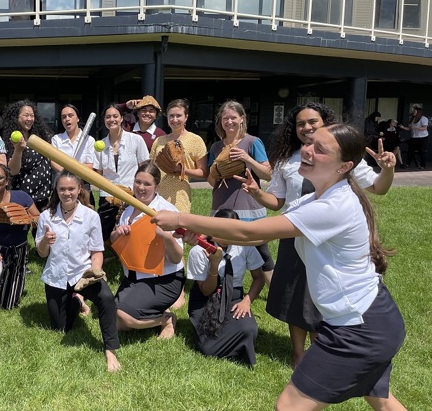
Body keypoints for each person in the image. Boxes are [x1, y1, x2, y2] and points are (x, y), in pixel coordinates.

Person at [153, 124, 406, 409]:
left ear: (344, 166)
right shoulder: (313, 198)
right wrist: (203, 237)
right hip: (371, 319)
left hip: (359, 328)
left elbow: (251, 232)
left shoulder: (333, 206)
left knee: (287, 406)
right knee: (382, 402)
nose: (308, 151)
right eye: (310, 143)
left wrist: (183, 220)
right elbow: (259, 234)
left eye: (321, 150)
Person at [243, 102, 396, 368]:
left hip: (329, 238)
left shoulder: (341, 155)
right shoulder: (286, 160)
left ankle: (322, 347)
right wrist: (257, 193)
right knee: (294, 295)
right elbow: (278, 202)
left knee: (320, 292)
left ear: (324, 122)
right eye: (301, 123)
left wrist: (388, 169)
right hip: (294, 233)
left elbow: (377, 188)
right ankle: (298, 352)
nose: (307, 128)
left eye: (312, 122)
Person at [35, 171, 121, 372]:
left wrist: (96, 270)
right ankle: (77, 302)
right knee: (61, 329)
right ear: (56, 190)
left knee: (107, 298)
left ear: (79, 189)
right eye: (62, 189)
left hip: (83, 274)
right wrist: (45, 242)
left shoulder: (91, 216)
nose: (67, 193)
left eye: (71, 188)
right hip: (56, 276)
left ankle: (110, 349)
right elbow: (41, 253)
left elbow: (97, 250)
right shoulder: (46, 216)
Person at [110, 163, 185, 339]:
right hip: (134, 277)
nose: (141, 188)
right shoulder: (127, 210)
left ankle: (165, 320)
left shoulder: (167, 212)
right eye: (138, 182)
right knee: (114, 321)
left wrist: (167, 237)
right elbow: (116, 242)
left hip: (164, 279)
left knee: (124, 316)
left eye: (147, 184)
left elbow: (177, 258)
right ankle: (150, 311)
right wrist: (116, 234)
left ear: (157, 187)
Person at [207, 100, 274, 285]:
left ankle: (274, 291)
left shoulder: (252, 142)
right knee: (221, 248)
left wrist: (247, 159)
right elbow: (211, 181)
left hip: (248, 206)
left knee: (261, 250)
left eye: (233, 118)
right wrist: (216, 170)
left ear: (242, 119)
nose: (229, 122)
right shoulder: (216, 147)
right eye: (225, 118)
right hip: (221, 205)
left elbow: (267, 174)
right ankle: (222, 285)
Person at [186, 209, 264, 365]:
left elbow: (259, 278)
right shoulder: (199, 251)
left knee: (248, 330)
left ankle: (237, 347)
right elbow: (206, 291)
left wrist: (247, 301)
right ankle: (225, 346)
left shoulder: (245, 247)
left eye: (232, 229)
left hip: (233, 299)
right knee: (209, 349)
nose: (227, 235)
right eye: (222, 230)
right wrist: (214, 264)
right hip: (205, 300)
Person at [0, 163, 39, 337]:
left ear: (7, 180)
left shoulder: (22, 197)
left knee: (7, 304)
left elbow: (39, 218)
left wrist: (25, 218)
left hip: (19, 251)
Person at [94, 104, 150, 241]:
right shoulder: (100, 145)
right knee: (103, 231)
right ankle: (106, 255)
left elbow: (145, 167)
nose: (111, 119)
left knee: (132, 228)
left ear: (121, 118)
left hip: (131, 192)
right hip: (107, 195)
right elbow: (98, 174)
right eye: (108, 117)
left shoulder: (136, 140)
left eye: (115, 116)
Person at [149, 98, 208, 213]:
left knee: (178, 229)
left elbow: (204, 172)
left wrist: (182, 170)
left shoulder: (195, 140)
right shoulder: (159, 141)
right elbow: (151, 167)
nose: (174, 119)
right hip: (158, 194)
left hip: (180, 195)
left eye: (179, 116)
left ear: (186, 117)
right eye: (171, 116)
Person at [3, 99, 53, 212]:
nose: (29, 119)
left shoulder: (42, 136)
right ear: (16, 117)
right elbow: (12, 171)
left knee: (41, 228)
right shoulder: (10, 140)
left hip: (42, 195)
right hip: (22, 197)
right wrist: (18, 150)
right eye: (26, 115)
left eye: (32, 115)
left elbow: (51, 160)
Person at [50, 104, 95, 172]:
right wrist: (65, 172)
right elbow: (53, 161)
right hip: (62, 180)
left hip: (82, 181)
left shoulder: (89, 140)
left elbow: (90, 165)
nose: (67, 119)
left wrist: (73, 171)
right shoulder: (56, 139)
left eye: (71, 115)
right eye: (63, 117)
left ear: (77, 118)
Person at [405, 104, 428, 169]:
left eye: (414, 111)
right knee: (410, 150)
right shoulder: (413, 119)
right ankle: (407, 164)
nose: (413, 112)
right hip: (414, 137)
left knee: (421, 151)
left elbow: (424, 128)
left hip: (422, 137)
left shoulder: (423, 118)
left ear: (418, 112)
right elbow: (410, 128)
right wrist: (404, 128)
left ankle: (422, 165)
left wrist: (416, 127)